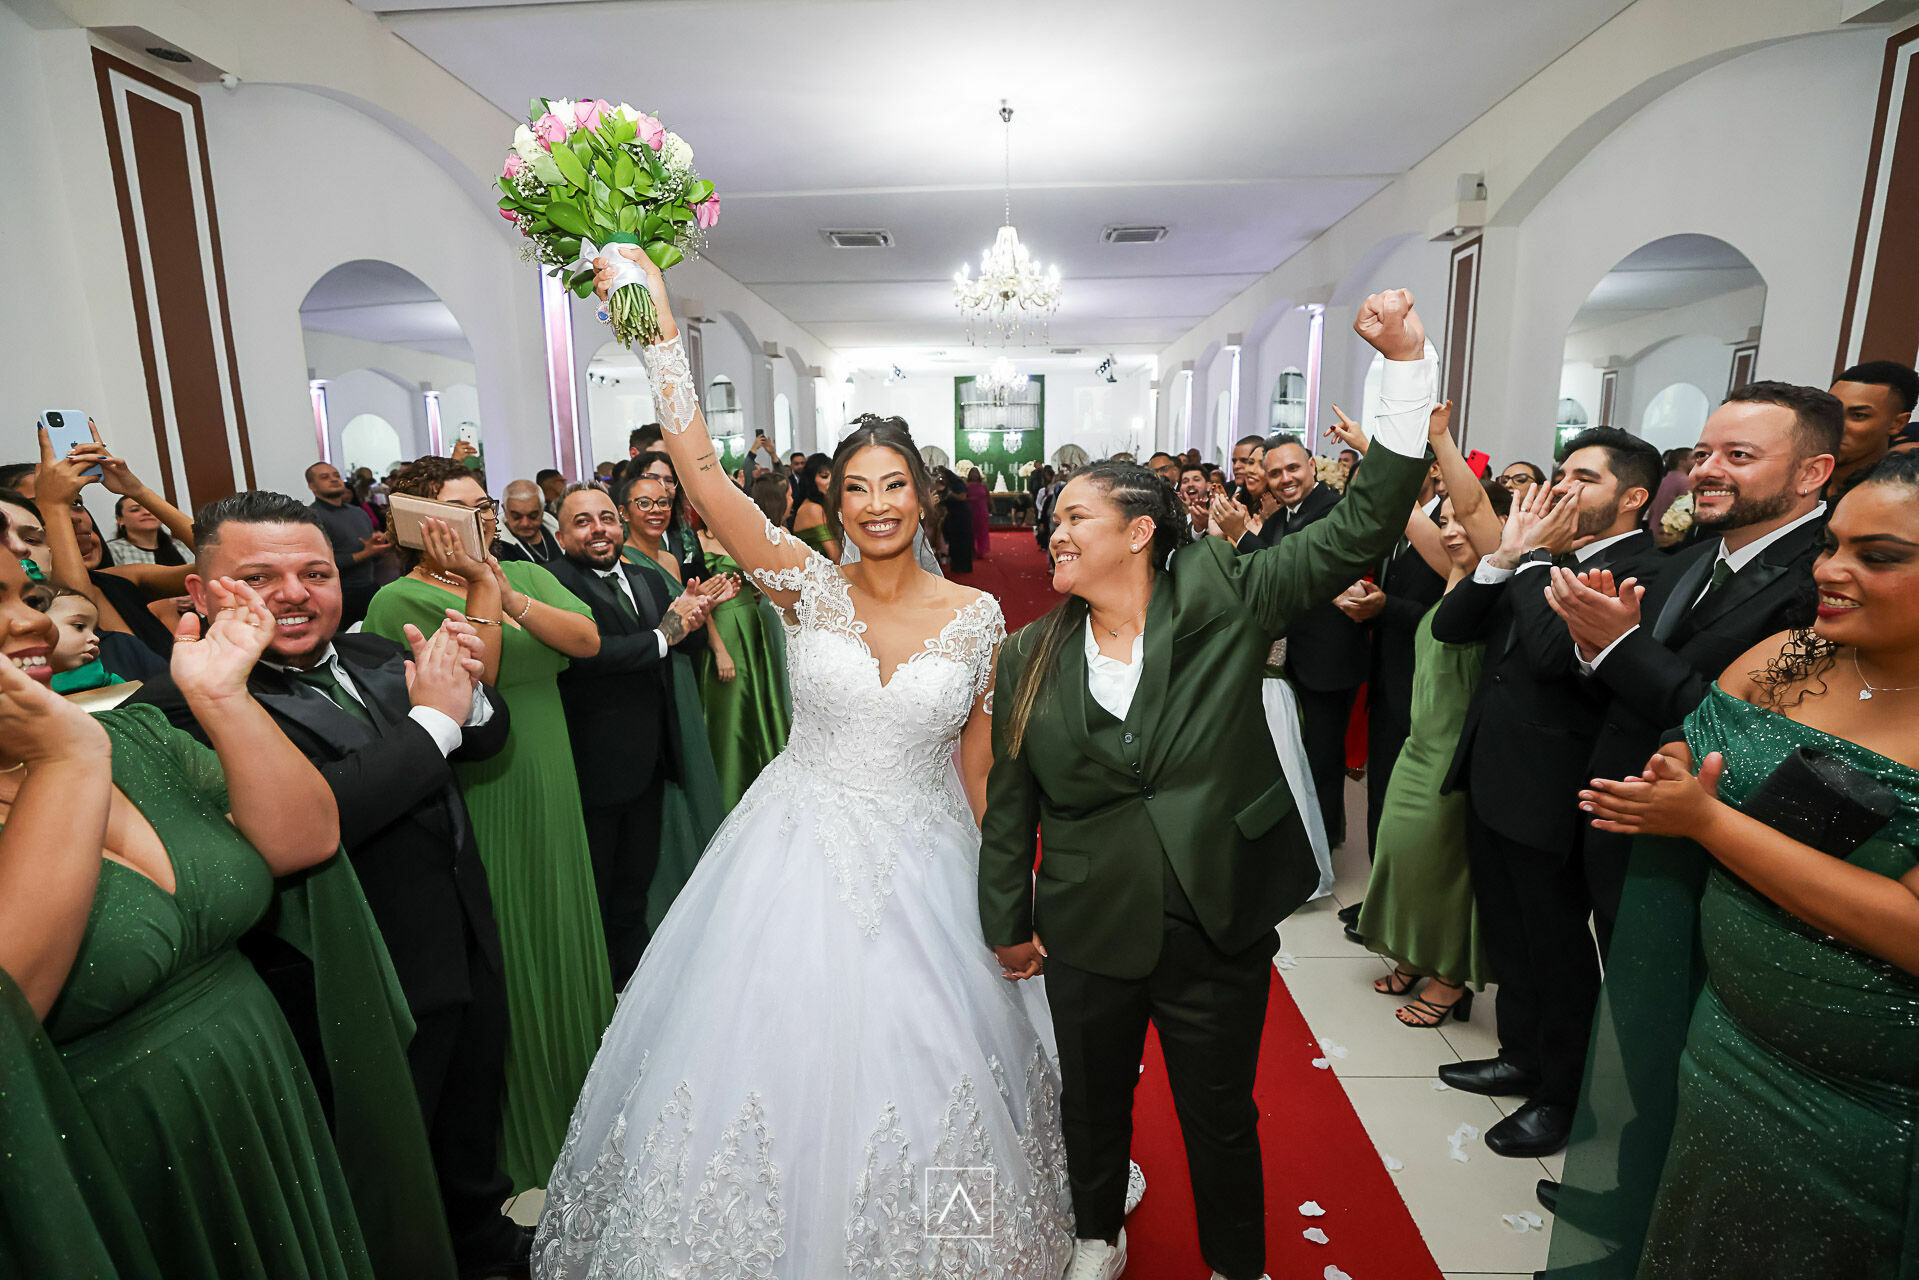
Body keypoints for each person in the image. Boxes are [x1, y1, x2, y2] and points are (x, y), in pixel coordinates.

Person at [538, 247, 1073, 1277]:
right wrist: (655, 331)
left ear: (924, 493)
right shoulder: (799, 583)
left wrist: (1011, 891)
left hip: (923, 860)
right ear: (834, 493)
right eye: (857, 487)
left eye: (895, 486)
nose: (877, 505)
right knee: (759, 1052)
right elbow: (698, 475)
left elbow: (980, 772)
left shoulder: (975, 616)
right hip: (790, 850)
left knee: (927, 1060)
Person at [983, 290, 1437, 1280]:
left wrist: (1403, 366)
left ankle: (1238, 1261)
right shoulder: (1026, 651)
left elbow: (1361, 526)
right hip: (1088, 918)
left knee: (1219, 1111)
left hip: (1215, 907)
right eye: (1051, 518)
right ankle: (1094, 1233)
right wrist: (1004, 918)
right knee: (1090, 1100)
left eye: (1071, 517)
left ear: (1138, 532)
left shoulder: (1228, 587)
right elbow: (1010, 798)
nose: (1049, 532)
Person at [0, 541, 453, 1280]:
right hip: (116, 1156)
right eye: (1, 603)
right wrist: (64, 761)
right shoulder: (80, 751)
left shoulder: (137, 739)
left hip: (265, 1096)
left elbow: (306, 838)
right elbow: (11, 1021)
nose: (33, 625)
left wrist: (222, 697)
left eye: (26, 595)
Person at [127, 491, 530, 1278]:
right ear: (202, 595)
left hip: (456, 937)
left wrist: (467, 696)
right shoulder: (182, 707)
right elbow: (320, 814)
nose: (294, 592)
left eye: (315, 572)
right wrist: (435, 723)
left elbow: (486, 737)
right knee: (383, 1170)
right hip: (345, 978)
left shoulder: (377, 654)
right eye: (259, 576)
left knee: (468, 1131)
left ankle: (487, 1249)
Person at [1568, 450, 1919, 1278]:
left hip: (1872, 1098)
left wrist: (1705, 824)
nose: (1829, 569)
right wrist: (1672, 777)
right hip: (1727, 1037)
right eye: (1831, 544)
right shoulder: (1791, 657)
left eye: (1877, 556)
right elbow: (1697, 747)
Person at [362, 456, 612, 1193]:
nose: (484, 520)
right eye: (462, 509)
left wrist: (502, 588)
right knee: (516, 940)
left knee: (565, 925)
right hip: (484, 783)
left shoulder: (522, 571)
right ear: (417, 525)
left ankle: (589, 1111)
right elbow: (482, 687)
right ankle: (523, 1139)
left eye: (485, 506)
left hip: (551, 774)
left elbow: (587, 639)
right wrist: (480, 586)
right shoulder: (397, 600)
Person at [1429, 427, 1664, 1159]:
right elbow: (1453, 624)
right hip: (1496, 770)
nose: (1562, 488)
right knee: (1509, 934)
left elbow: (1550, 653)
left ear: (1633, 498)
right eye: (1560, 473)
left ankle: (1560, 1095)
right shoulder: (1543, 562)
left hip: (1558, 789)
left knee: (1557, 950)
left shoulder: (1642, 570)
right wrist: (1503, 557)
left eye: (1584, 479)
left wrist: (1527, 557)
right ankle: (1520, 1054)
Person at [1550, 383, 1840, 950]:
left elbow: (1750, 729)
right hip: (1627, 817)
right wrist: (1593, 649)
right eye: (1702, 453)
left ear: (1812, 473)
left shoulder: (1823, 578)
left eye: (1739, 456)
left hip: (1715, 850)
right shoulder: (1693, 557)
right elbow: (1627, 677)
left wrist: (1618, 645)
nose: (1707, 470)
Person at [1354, 422, 1509, 1029]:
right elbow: (1411, 512)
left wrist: (1442, 443)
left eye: (1459, 519)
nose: (1448, 527)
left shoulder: (1494, 585)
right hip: (1418, 743)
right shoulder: (1447, 567)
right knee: (1404, 855)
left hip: (1455, 751)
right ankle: (1416, 956)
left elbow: (1471, 513)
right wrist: (1375, 450)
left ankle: (1451, 978)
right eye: (1441, 519)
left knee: (1446, 867)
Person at [546, 483, 726, 985]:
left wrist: (689, 623)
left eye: (606, 517)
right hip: (595, 762)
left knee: (634, 881)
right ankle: (599, 986)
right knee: (598, 887)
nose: (598, 529)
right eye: (582, 521)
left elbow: (671, 653)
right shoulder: (554, 585)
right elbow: (589, 658)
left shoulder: (645, 578)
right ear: (561, 535)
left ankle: (631, 980)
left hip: (649, 757)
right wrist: (661, 636)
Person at [1216, 432, 1371, 849]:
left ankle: (1321, 847)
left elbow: (1291, 573)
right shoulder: (1282, 517)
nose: (1285, 479)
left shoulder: (1332, 511)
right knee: (1296, 758)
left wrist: (1241, 535)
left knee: (1321, 759)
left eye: (1293, 468)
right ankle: (1306, 842)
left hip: (1328, 659)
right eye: (1275, 473)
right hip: (1291, 659)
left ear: (1312, 467)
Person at [617, 473, 733, 934]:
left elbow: (686, 622)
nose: (655, 509)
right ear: (624, 511)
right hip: (653, 677)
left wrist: (704, 605)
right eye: (643, 502)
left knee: (692, 759)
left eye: (663, 502)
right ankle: (670, 882)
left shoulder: (668, 555)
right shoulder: (623, 559)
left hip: (682, 670)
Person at [695, 474, 795, 808]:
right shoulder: (695, 541)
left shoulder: (744, 536)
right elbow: (694, 597)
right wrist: (718, 646)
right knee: (731, 706)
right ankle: (727, 789)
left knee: (760, 701)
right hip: (721, 628)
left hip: (752, 627)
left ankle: (766, 786)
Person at [305, 462, 389, 626]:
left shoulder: (357, 512)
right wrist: (365, 553)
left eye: (336, 475)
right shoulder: (311, 517)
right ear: (312, 485)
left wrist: (378, 546)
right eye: (325, 477)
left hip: (370, 587)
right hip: (340, 594)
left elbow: (370, 552)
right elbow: (315, 564)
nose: (334, 479)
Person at [1827, 359, 1917, 494]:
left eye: (1858, 415)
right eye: (1830, 411)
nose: (1835, 425)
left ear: (1897, 424)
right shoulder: (1798, 481)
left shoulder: (1898, 500)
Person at [494, 478, 561, 565]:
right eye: (516, 517)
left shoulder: (558, 526)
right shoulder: (496, 547)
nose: (525, 524)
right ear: (505, 509)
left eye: (533, 516)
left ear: (543, 509)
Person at [106, 495, 186, 566]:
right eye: (135, 510)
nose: (147, 512)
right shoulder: (111, 550)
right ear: (119, 519)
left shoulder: (180, 546)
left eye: (152, 508)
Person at [789, 452, 841, 560]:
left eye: (834, 477)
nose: (831, 482)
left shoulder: (823, 505)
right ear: (811, 480)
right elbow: (836, 557)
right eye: (824, 476)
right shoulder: (812, 509)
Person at [1646, 447, 1695, 543]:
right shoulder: (1685, 481)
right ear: (1682, 462)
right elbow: (1687, 511)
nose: (1697, 461)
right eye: (1693, 458)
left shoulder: (1662, 480)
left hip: (1653, 531)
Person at [943, 465, 977, 574]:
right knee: (954, 541)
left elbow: (962, 497)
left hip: (961, 516)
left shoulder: (957, 483)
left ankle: (965, 566)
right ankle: (956, 566)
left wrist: (950, 494)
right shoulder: (946, 485)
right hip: (953, 516)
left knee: (963, 541)